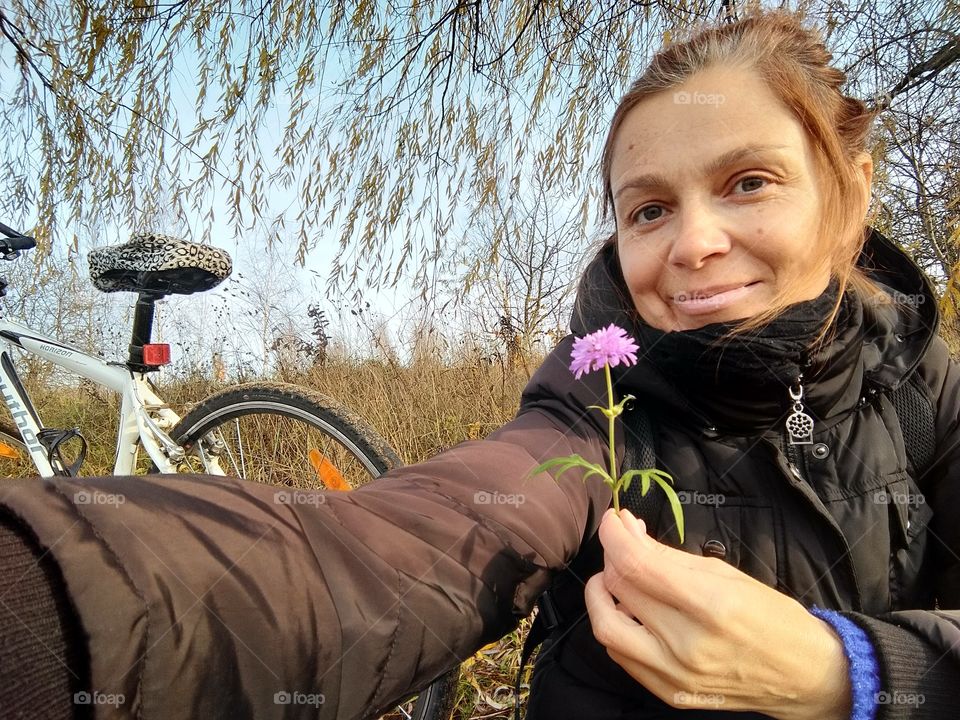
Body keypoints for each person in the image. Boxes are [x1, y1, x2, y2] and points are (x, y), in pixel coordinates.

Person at [0, 8, 957, 720]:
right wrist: (56, 600)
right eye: (649, 209)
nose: (694, 242)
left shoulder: (935, 396)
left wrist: (856, 671)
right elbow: (403, 544)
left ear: (847, 192)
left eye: (748, 183)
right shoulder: (598, 399)